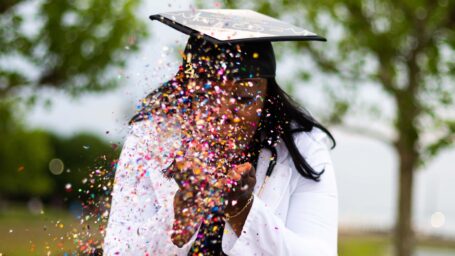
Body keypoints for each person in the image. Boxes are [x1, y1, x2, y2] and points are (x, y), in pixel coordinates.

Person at [103, 9, 338, 256]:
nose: (224, 114)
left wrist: (243, 212)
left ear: (266, 99)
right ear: (187, 94)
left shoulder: (303, 148)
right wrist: (177, 218)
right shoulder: (151, 138)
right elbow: (118, 249)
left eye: (244, 98)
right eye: (205, 96)